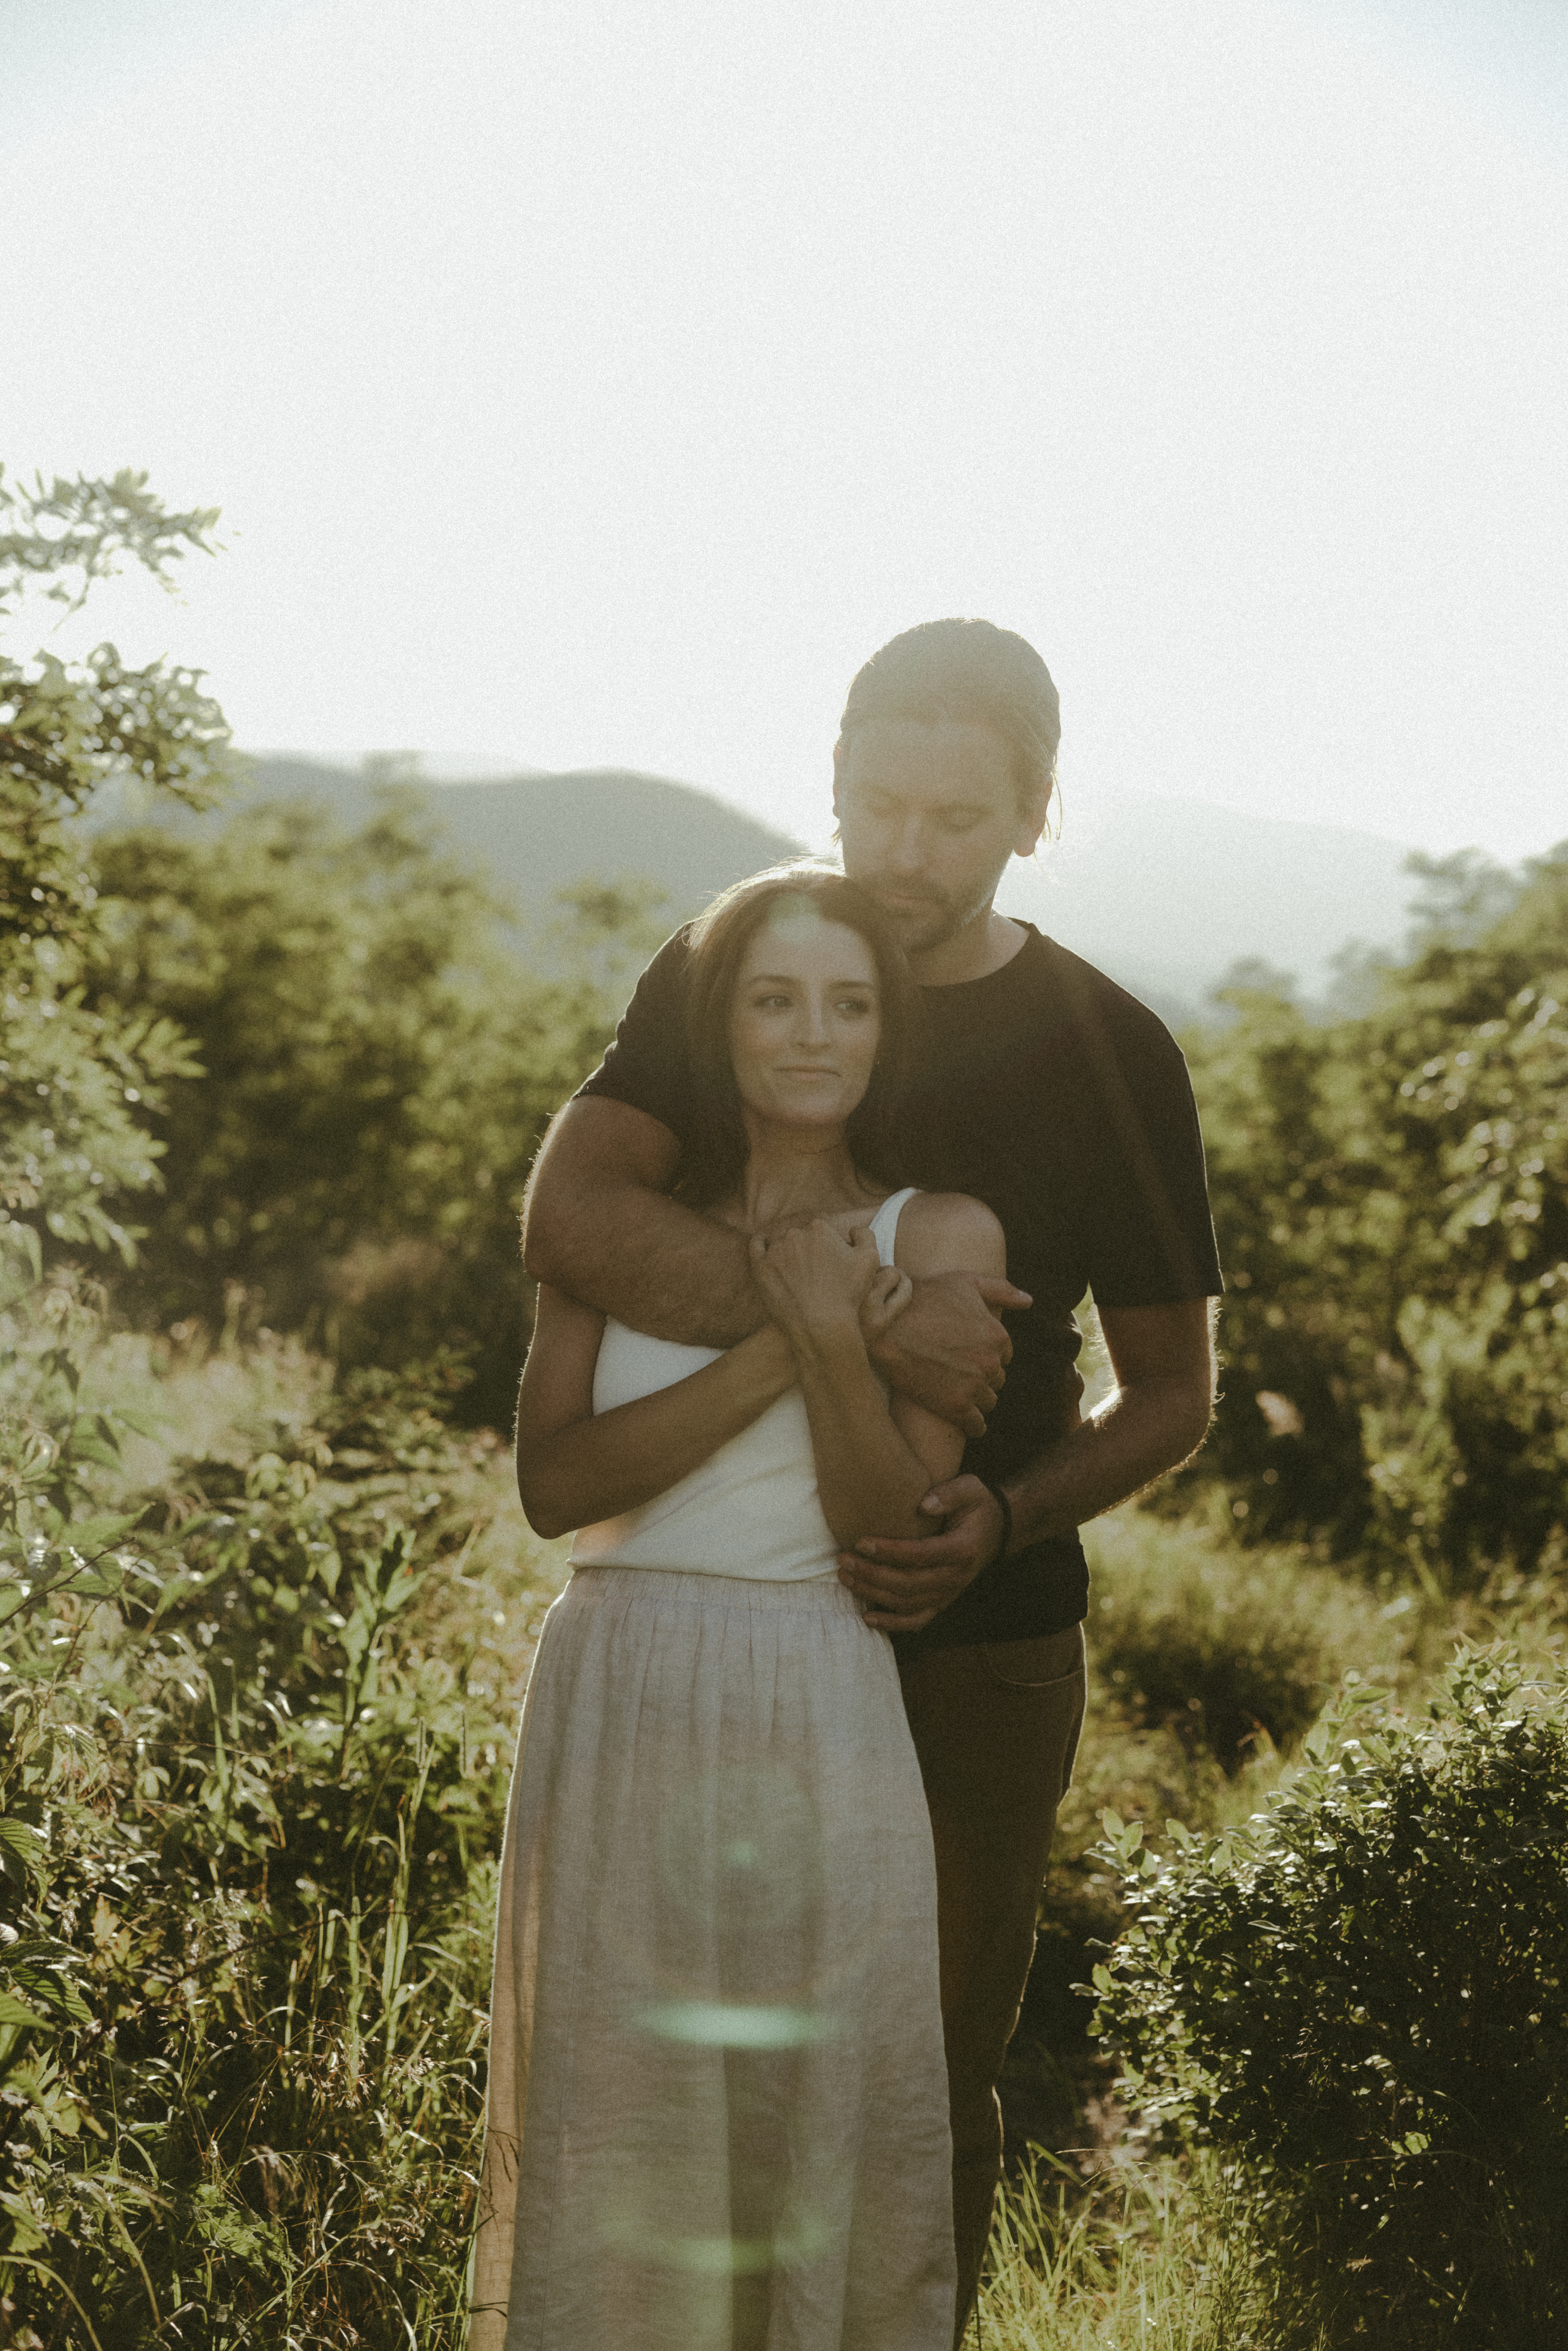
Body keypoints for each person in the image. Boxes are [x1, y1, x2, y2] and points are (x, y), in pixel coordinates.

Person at [521, 618, 1224, 2338]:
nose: (903, 856)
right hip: (716, 1623)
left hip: (971, 1634)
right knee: (679, 2056)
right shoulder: (745, 979)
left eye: (954, 819)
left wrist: (1005, 1511)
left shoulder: (1102, 1048)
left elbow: (1174, 1392)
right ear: (829, 784)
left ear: (1033, 820)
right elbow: (573, 1219)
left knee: (917, 2073)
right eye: (874, 805)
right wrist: (857, 1315)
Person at [473, 868, 1010, 2351]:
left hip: (812, 1684)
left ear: (888, 1031)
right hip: (614, 1681)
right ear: (720, 1027)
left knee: (808, 2113)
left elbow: (884, 1534)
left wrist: (843, 1336)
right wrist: (797, 1329)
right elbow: (559, 1487)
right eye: (773, 1001)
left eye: (847, 1004)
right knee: (617, 2110)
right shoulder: (616, 1225)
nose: (810, 1036)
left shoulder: (941, 1235)